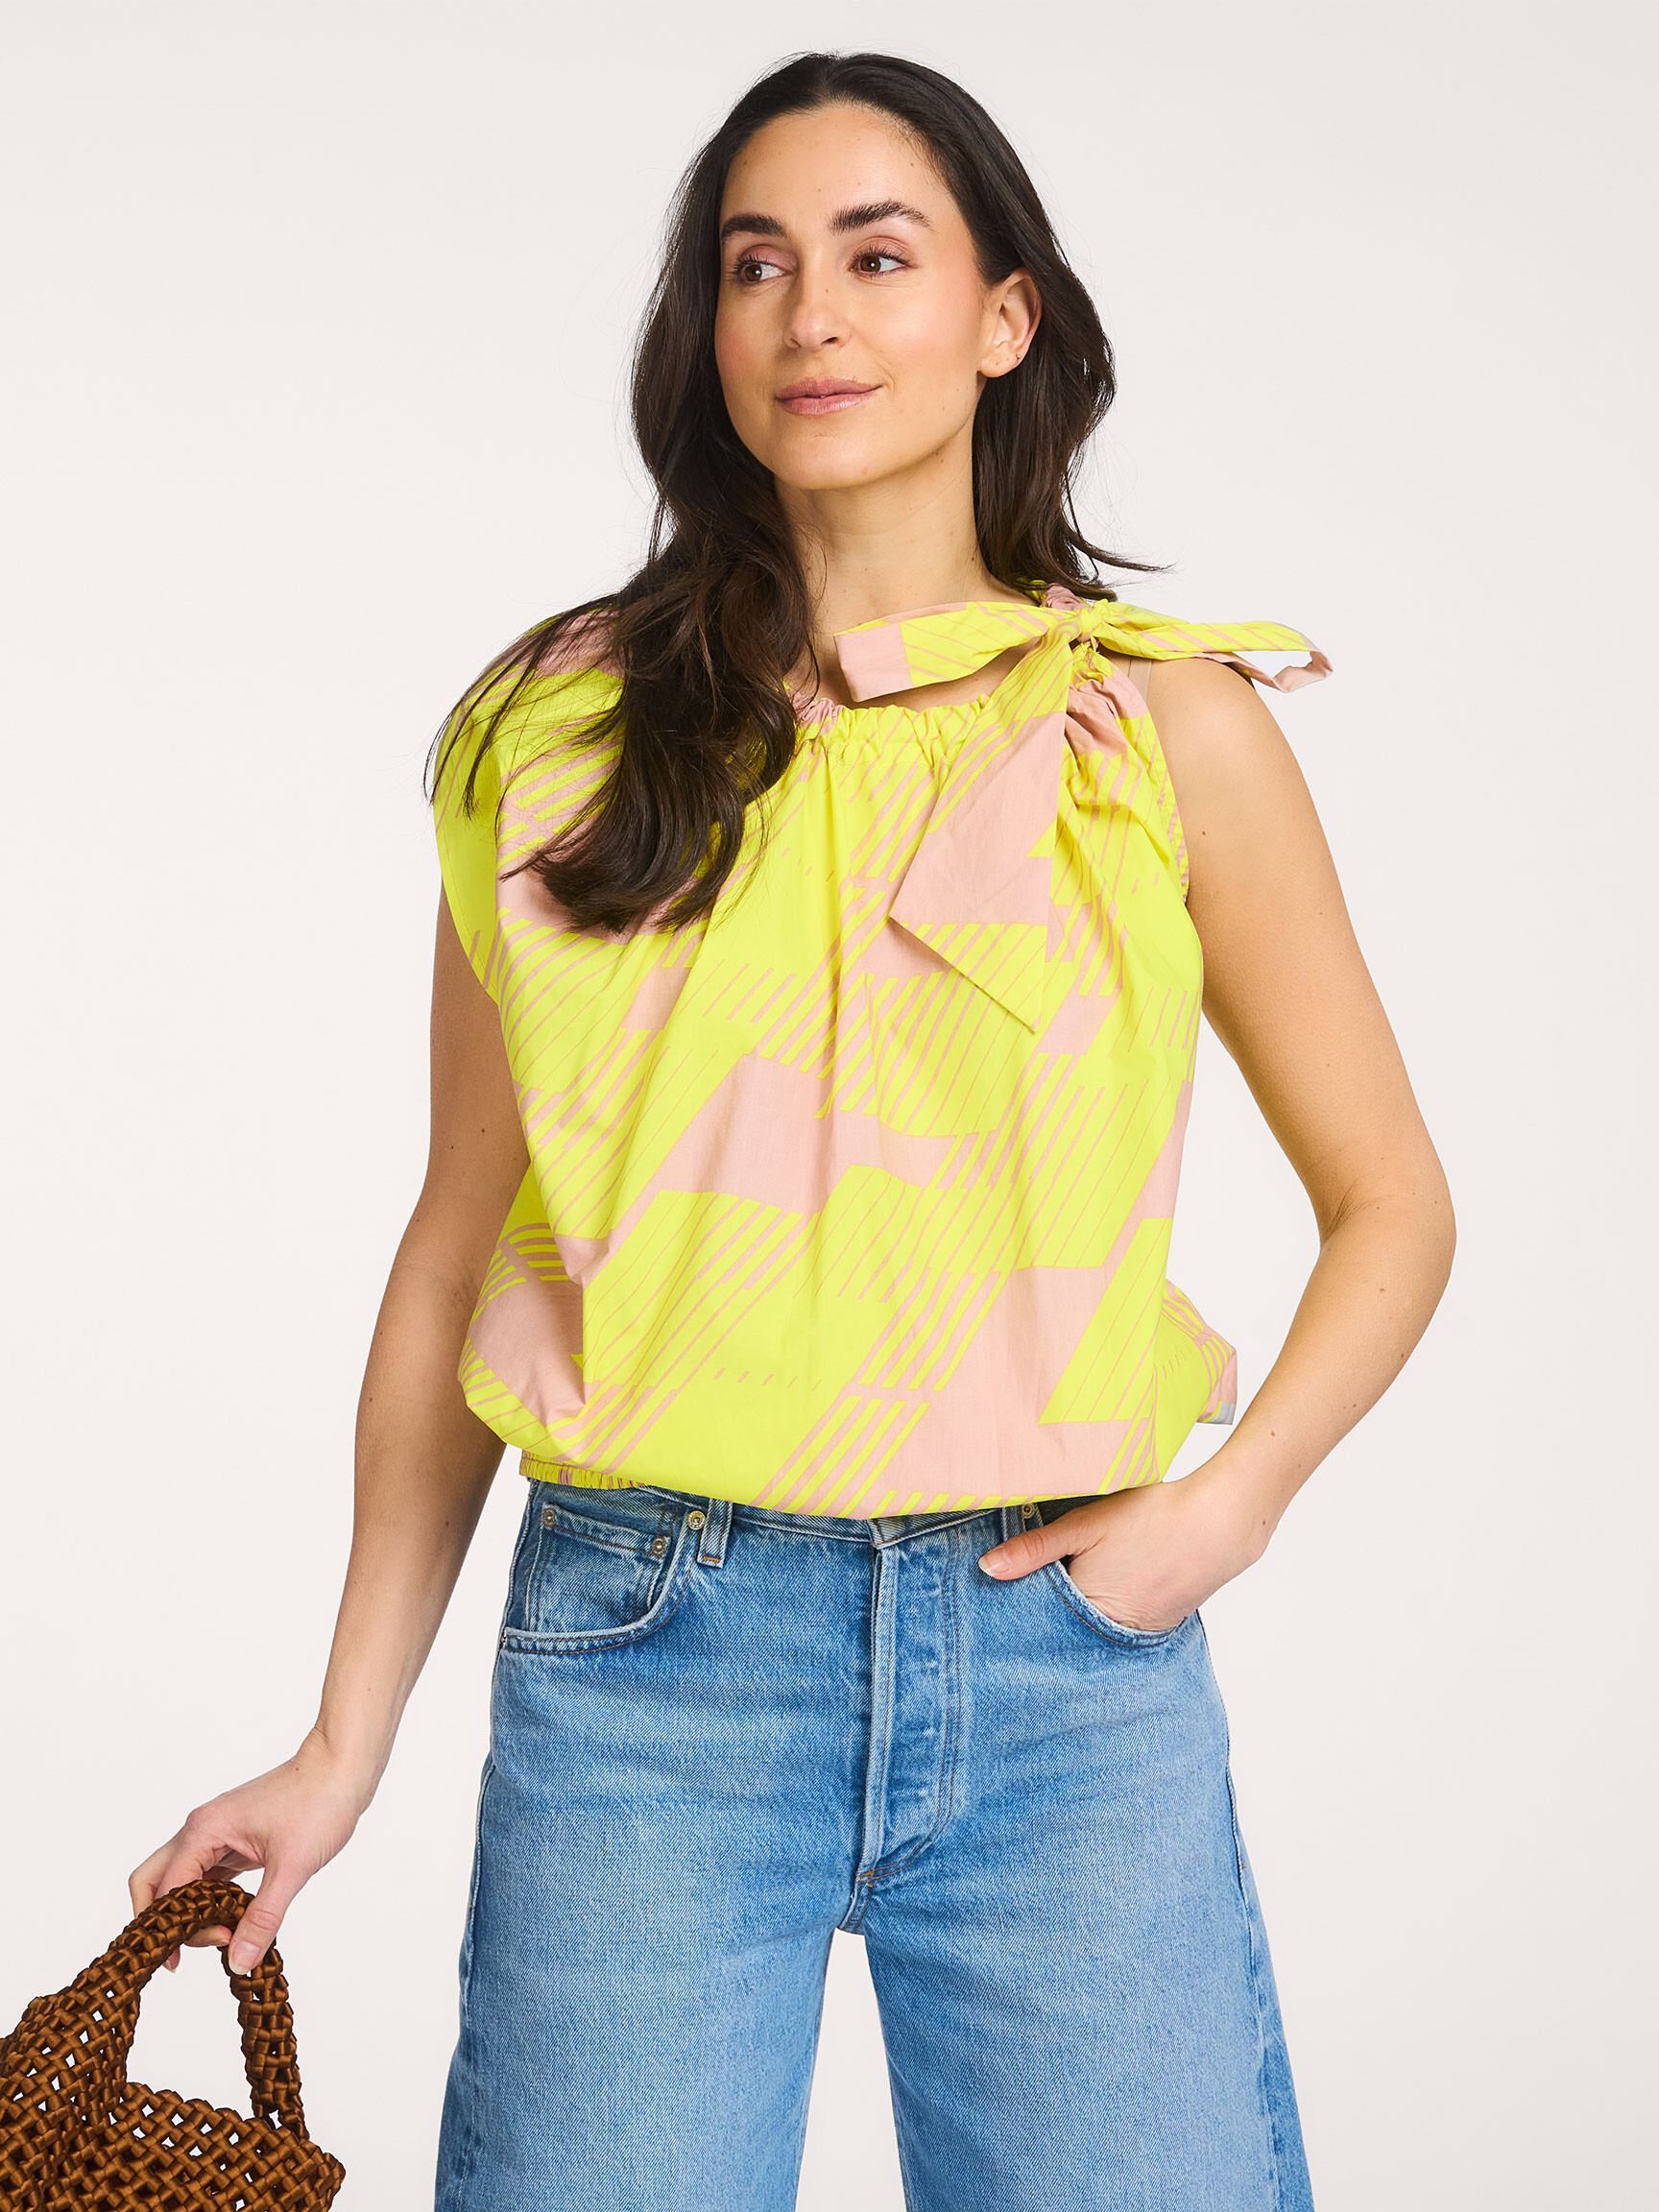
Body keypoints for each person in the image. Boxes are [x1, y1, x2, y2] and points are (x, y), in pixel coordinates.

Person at [130, 49, 1455, 2212]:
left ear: (1005, 318)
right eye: (756, 266)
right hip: (651, 1660)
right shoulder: (553, 736)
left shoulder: (1159, 729)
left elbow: (1392, 1202)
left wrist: (1236, 1504)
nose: (810, 315)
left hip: (1063, 1672)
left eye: (876, 255)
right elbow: (460, 1247)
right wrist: (341, 1743)